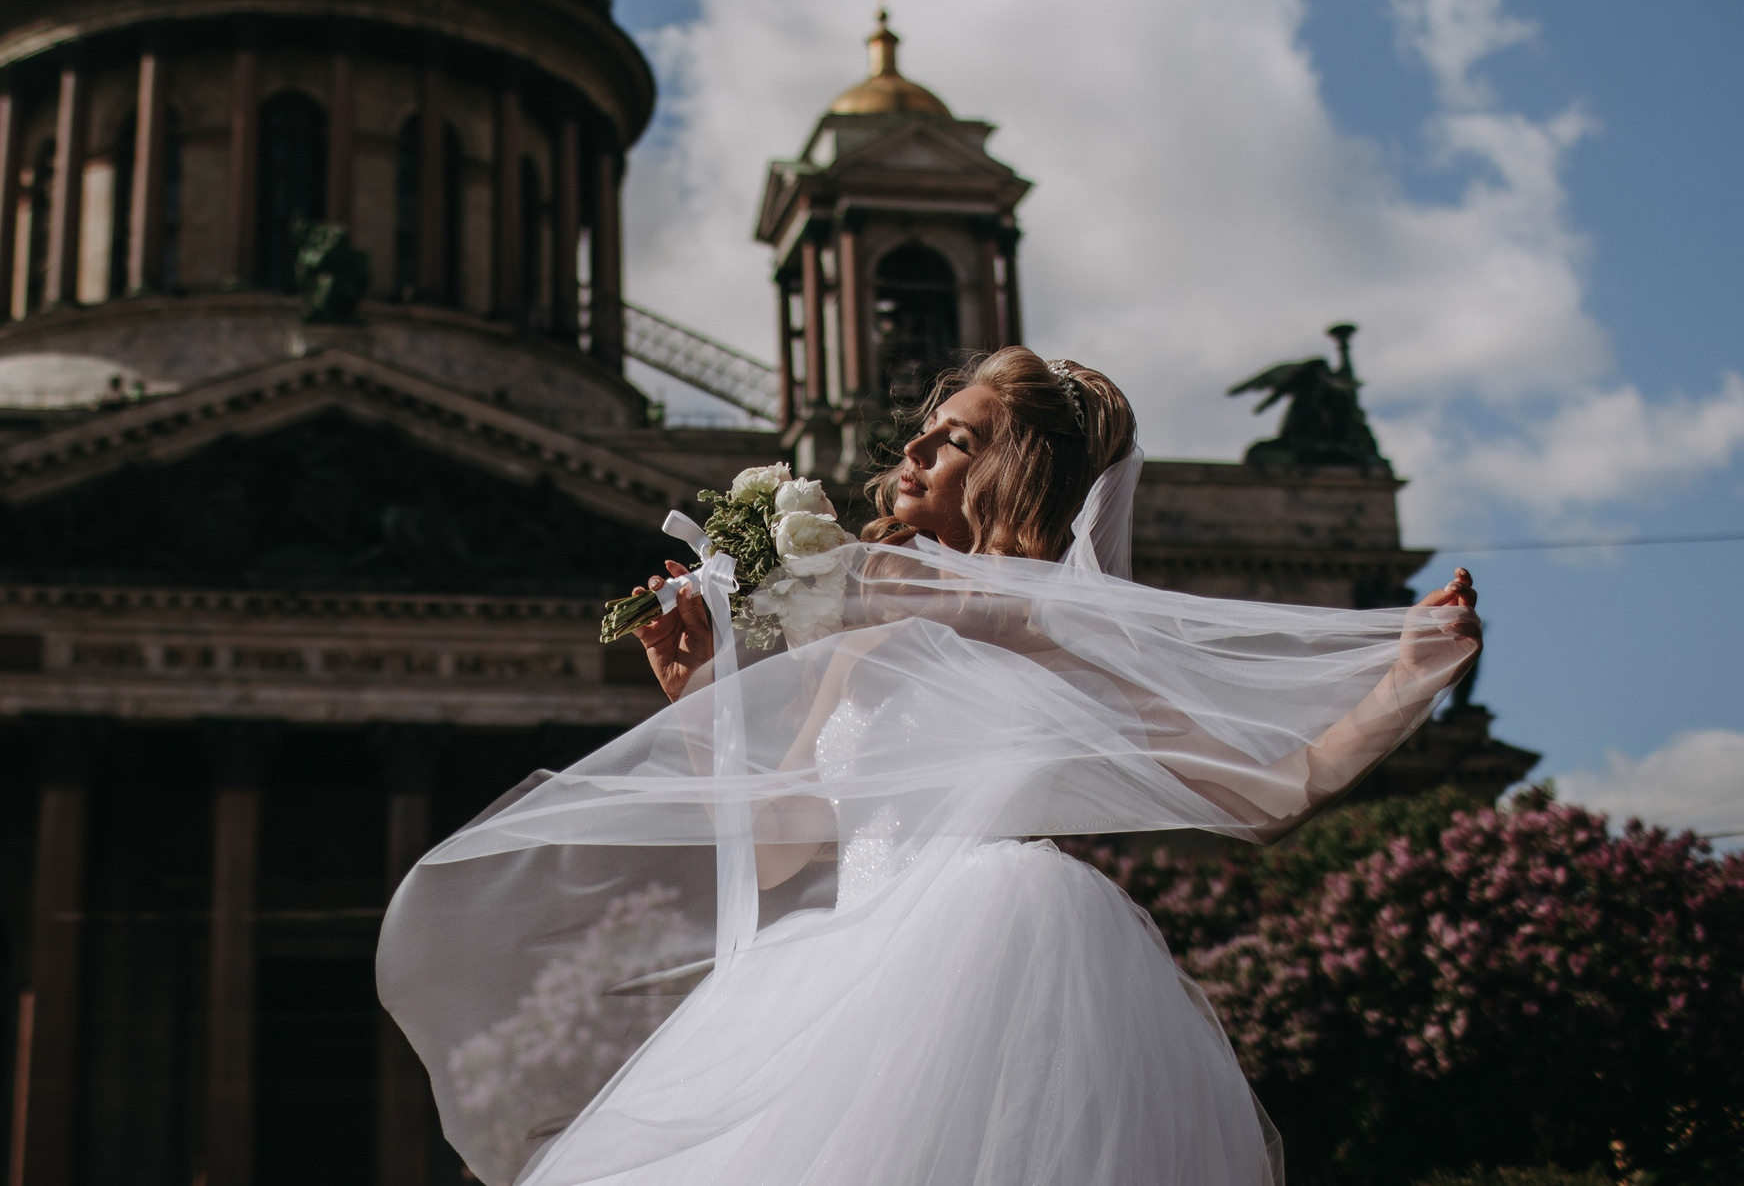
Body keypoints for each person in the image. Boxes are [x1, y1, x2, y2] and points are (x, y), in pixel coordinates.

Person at [378, 347, 1480, 1186]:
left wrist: (1404, 681)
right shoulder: (855, 621)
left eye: (950, 438)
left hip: (994, 958)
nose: (908, 453)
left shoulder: (1039, 627)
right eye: (924, 432)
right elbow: (781, 853)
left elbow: (1266, 797)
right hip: (831, 974)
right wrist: (708, 702)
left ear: (1016, 468)